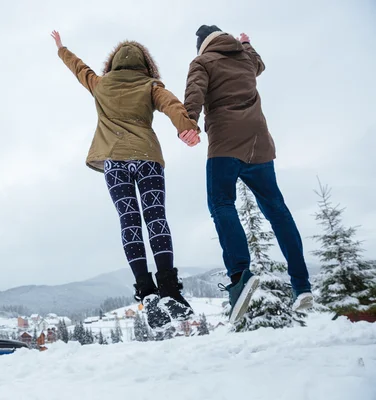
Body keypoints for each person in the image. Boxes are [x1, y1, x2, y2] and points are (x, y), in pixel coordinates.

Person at [51, 30, 200, 329]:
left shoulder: (100, 85)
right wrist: (186, 127)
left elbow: (80, 69)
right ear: (146, 64)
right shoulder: (150, 85)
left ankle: (147, 292)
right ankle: (170, 290)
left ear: (114, 64)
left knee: (129, 222)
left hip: (114, 162)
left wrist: (61, 48)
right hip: (147, 159)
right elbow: (171, 104)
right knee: (156, 219)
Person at [181, 25, 314, 324]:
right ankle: (301, 285)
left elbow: (195, 93)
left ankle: (240, 275)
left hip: (225, 144)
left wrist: (188, 122)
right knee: (278, 211)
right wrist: (247, 43)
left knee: (221, 203)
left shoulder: (202, 62)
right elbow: (259, 63)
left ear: (202, 45)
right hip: (259, 145)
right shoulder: (245, 57)